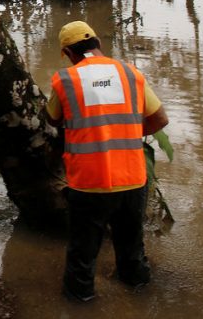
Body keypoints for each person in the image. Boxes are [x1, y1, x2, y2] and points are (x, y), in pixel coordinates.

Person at [44, 20, 169, 302]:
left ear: (68, 53)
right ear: (97, 44)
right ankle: (140, 296)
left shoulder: (65, 79)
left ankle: (80, 303)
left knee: (82, 256)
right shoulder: (130, 73)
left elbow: (52, 117)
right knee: (132, 249)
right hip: (132, 179)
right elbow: (160, 119)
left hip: (89, 182)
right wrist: (123, 132)